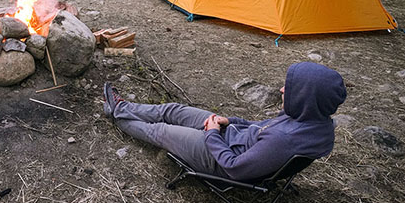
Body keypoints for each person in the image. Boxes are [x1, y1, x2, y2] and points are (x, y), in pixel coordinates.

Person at [102, 62, 346, 181]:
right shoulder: (311, 120)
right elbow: (260, 128)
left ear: (307, 97)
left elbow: (235, 167)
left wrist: (212, 134)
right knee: (175, 110)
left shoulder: (285, 140)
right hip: (228, 136)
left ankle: (117, 115)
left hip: (219, 157)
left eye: (291, 88)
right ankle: (124, 107)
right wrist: (230, 121)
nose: (282, 90)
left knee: (162, 131)